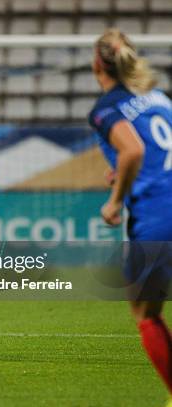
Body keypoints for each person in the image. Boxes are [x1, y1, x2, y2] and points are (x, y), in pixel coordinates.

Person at [89, 28, 172, 397]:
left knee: (145, 310)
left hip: (158, 212)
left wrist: (115, 201)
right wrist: (122, 170)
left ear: (97, 63)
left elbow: (134, 151)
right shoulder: (159, 97)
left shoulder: (106, 108)